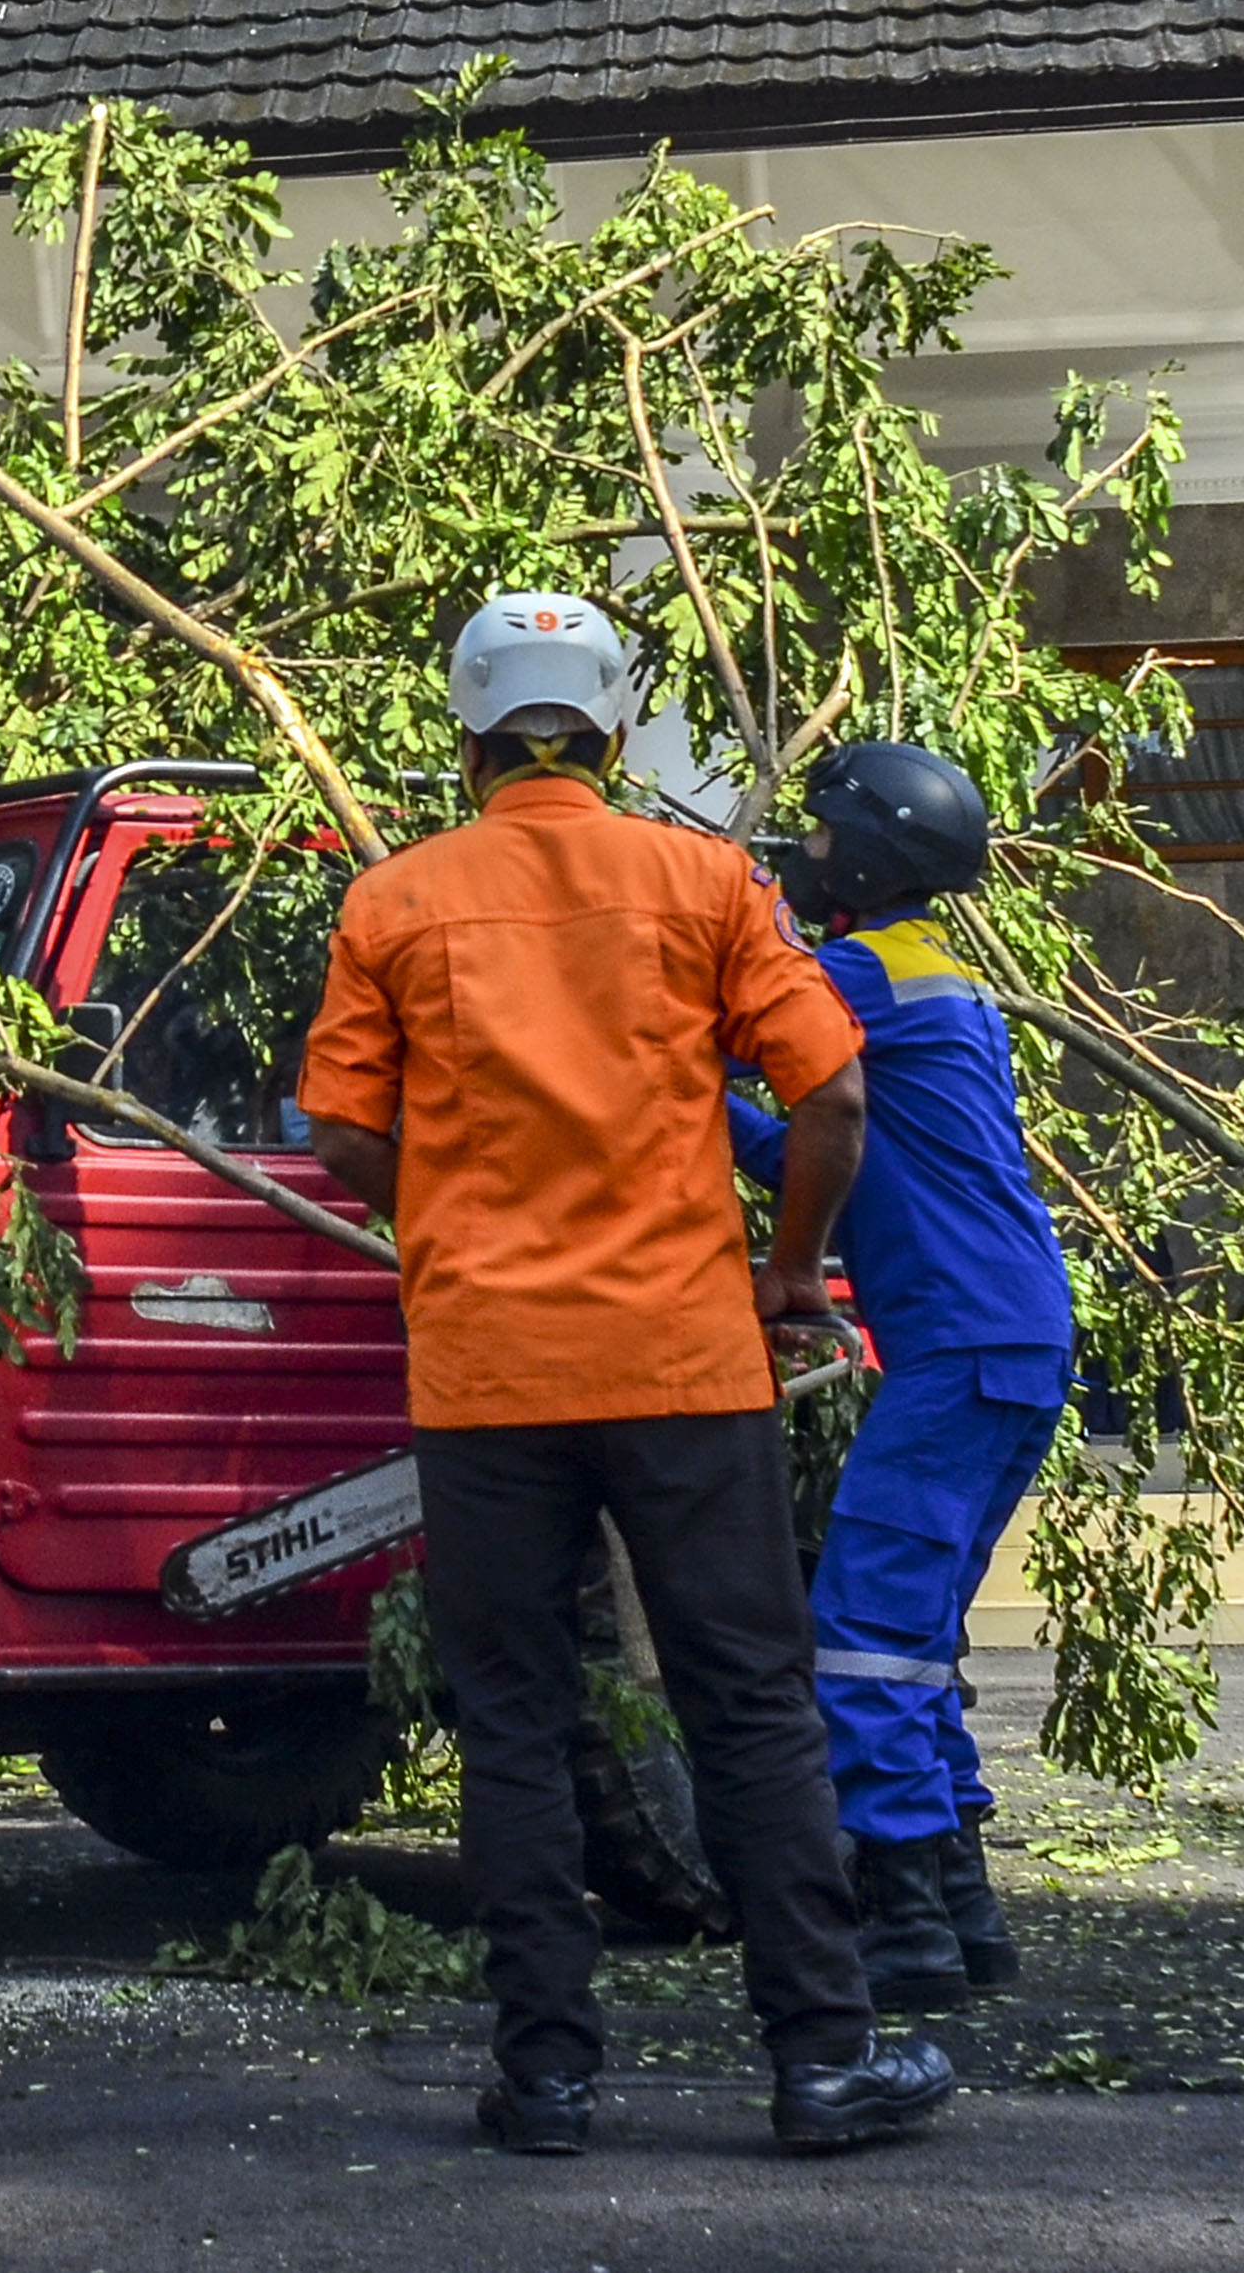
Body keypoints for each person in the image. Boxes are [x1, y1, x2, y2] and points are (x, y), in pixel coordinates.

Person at [299, 590, 952, 2158]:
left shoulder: (393, 902)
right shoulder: (704, 878)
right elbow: (837, 1095)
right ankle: (817, 2059)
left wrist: (445, 1222)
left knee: (513, 1720)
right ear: (608, 727)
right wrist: (788, 1270)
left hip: (487, 1381)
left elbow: (335, 1131)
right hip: (678, 1360)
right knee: (748, 1706)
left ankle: (546, 2079)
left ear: (468, 733)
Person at [725, 740, 1075, 2019]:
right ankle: (965, 1907)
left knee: (865, 1630)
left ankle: (907, 1918)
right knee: (915, 1637)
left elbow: (740, 1032)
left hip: (965, 1347)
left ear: (864, 855)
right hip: (1006, 1340)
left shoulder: (858, 972)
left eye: (816, 836)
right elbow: (813, 1145)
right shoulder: (928, 975)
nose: (802, 852)